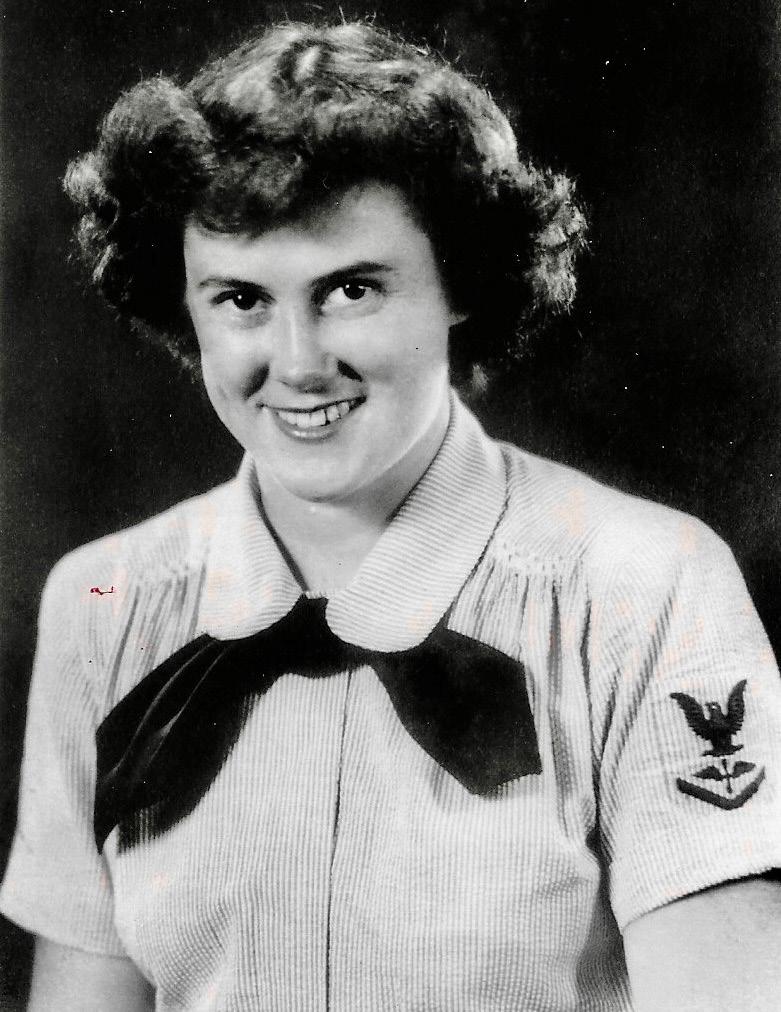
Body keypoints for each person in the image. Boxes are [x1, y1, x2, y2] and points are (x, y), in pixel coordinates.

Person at [1, 20, 780, 1012]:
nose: (297, 362)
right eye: (240, 298)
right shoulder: (102, 604)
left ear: (462, 284)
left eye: (351, 289)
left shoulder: (645, 585)